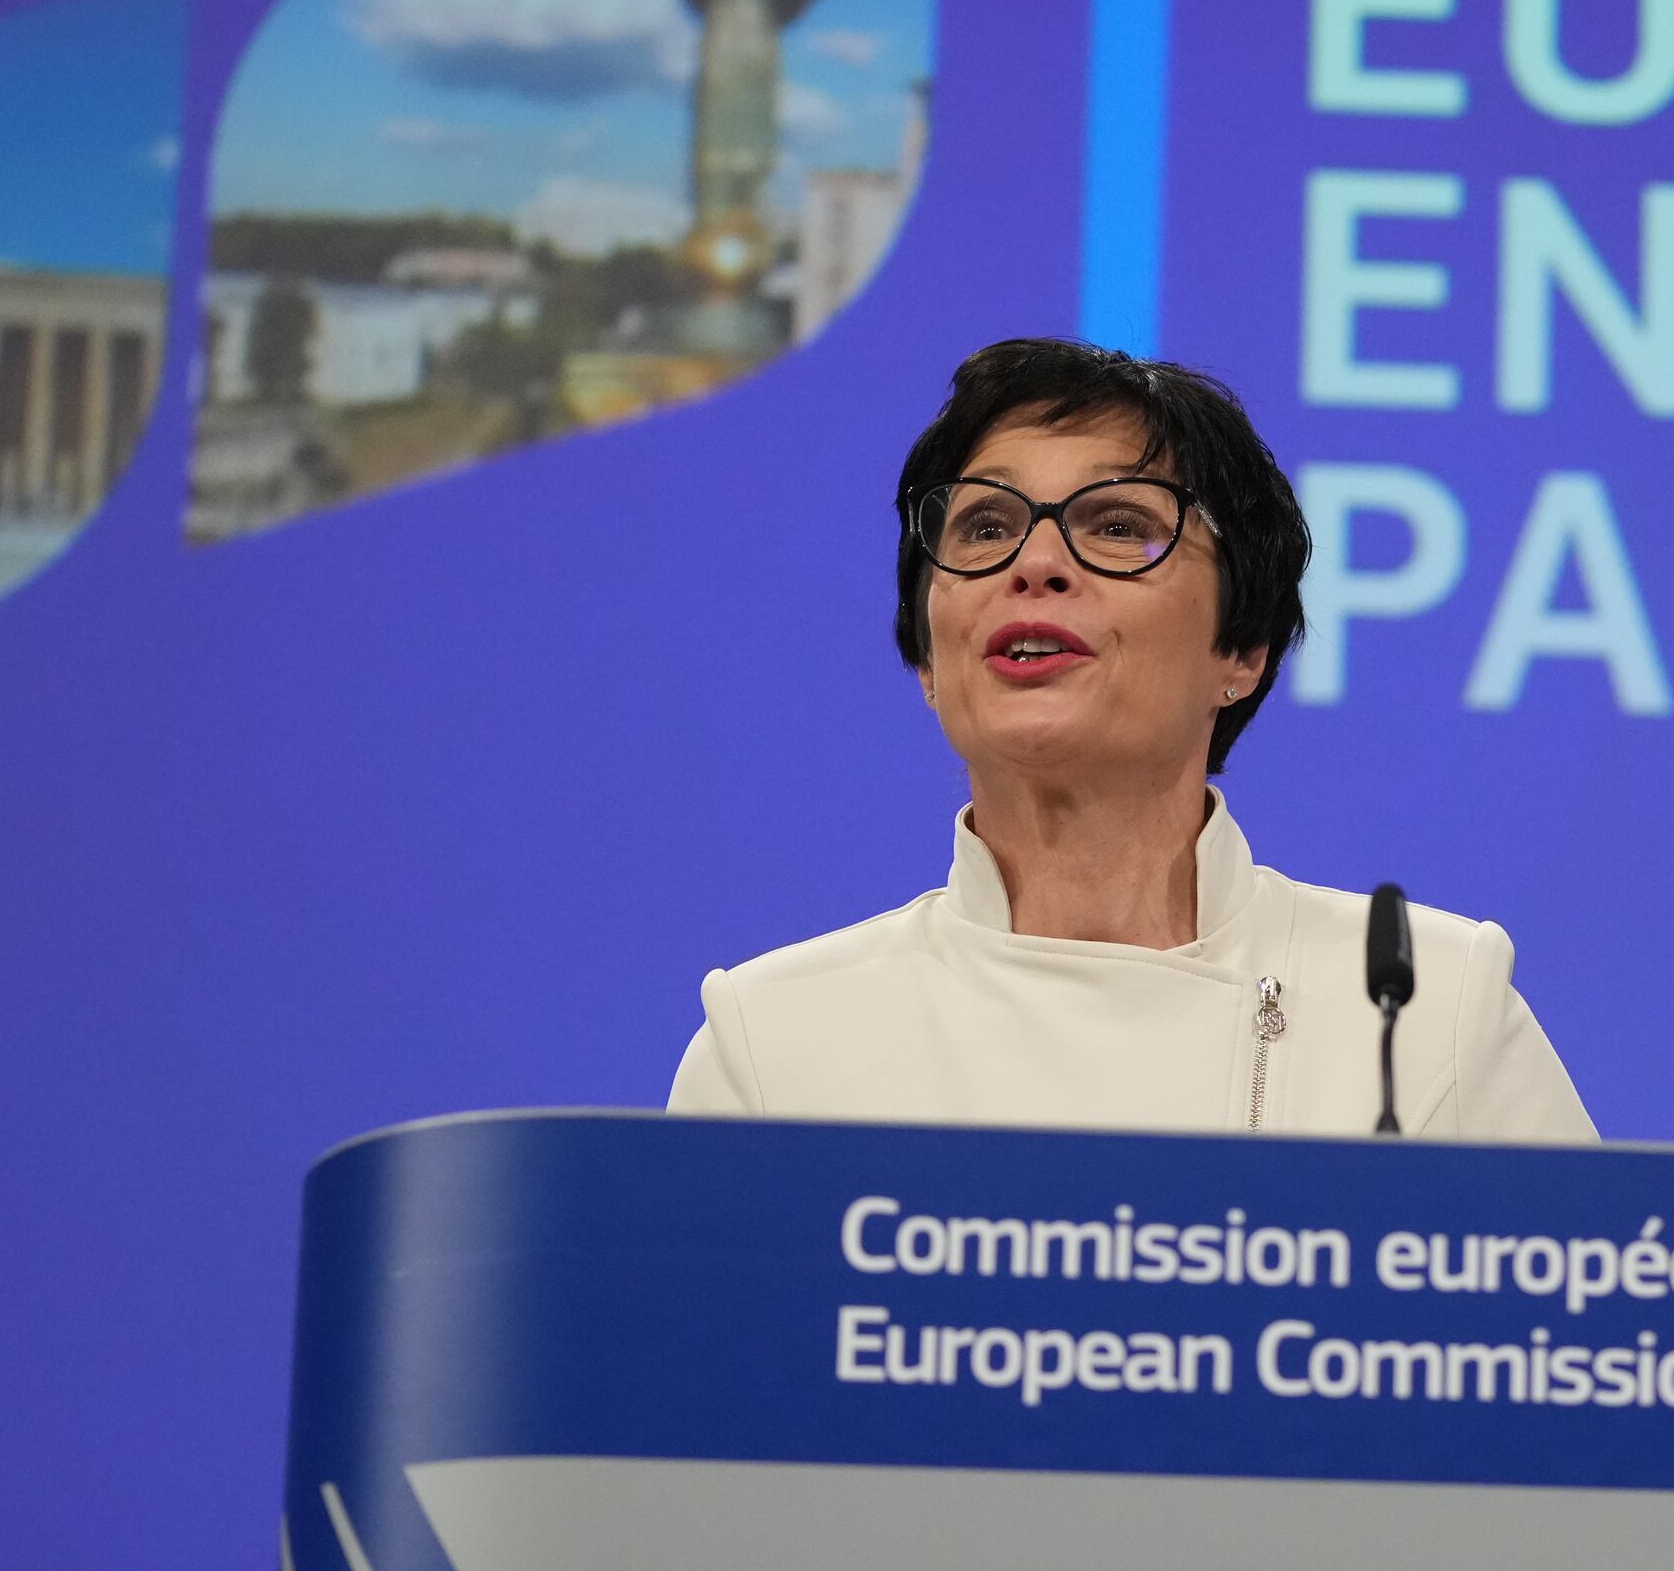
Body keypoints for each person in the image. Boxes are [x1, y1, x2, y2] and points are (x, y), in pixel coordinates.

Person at [667, 338, 1594, 1139]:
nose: (1035, 565)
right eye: (985, 526)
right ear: (928, 657)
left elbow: (1585, 1333)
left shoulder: (1421, 1009)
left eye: (1117, 526)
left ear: (1243, 650)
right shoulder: (777, 1044)